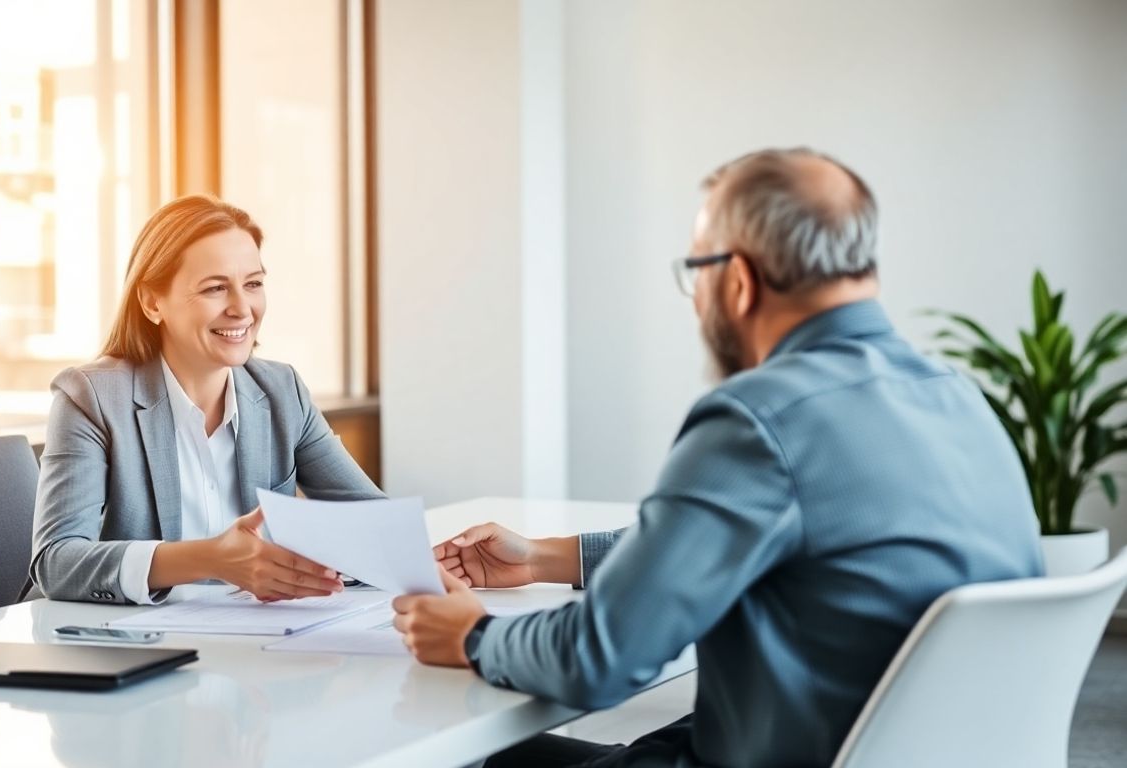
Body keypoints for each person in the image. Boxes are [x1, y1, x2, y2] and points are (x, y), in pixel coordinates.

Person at [391, 148, 1043, 767]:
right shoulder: (958, 397)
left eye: (695, 272)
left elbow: (601, 658)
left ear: (737, 280)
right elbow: (739, 541)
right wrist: (545, 556)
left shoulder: (760, 417)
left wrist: (474, 636)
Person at [27, 195, 383, 605]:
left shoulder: (281, 390)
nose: (242, 308)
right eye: (215, 288)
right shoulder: (90, 397)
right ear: (151, 302)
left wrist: (452, 560)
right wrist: (212, 559)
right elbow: (57, 561)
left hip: (253, 640)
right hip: (131, 644)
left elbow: (373, 522)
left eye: (252, 284)